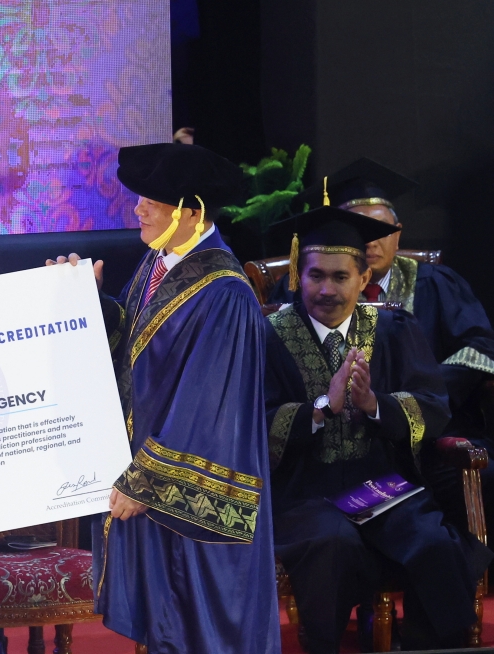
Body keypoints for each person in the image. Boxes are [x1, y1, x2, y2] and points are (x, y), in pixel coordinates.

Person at [52, 143, 280, 653]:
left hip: (194, 499)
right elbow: (137, 348)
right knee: (167, 631)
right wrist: (86, 305)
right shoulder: (160, 264)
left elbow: (206, 403)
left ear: (191, 212)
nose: (137, 208)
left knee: (201, 631)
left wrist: (144, 480)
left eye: (151, 201)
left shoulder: (224, 292)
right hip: (156, 492)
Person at [264, 206, 492, 652]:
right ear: (298, 274)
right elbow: (253, 418)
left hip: (382, 485)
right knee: (333, 544)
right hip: (303, 494)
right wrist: (322, 408)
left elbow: (431, 403)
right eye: (315, 276)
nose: (325, 290)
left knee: (434, 542)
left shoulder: (392, 329)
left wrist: (375, 405)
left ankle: (428, 645)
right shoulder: (267, 336)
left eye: (339, 277)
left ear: (363, 275)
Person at [269, 158, 494, 521]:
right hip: (328, 448)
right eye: (361, 229)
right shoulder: (301, 293)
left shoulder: (436, 284)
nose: (371, 240)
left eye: (381, 229)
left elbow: (479, 346)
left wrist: (424, 385)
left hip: (434, 426)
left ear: (399, 232)